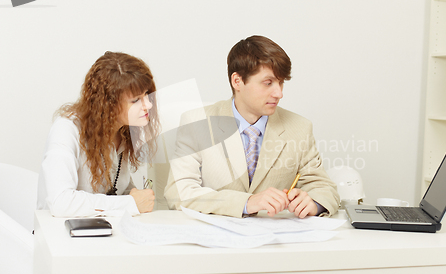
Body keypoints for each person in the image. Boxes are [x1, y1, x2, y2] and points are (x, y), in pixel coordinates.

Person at [165, 35, 340, 218]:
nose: (279, 93)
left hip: (276, 241)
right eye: (268, 83)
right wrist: (246, 203)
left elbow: (324, 187)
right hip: (216, 241)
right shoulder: (196, 123)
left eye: (281, 83)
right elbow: (179, 192)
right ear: (237, 81)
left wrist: (314, 203)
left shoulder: (299, 127)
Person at [37, 51, 160, 217]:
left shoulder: (122, 132)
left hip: (100, 233)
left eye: (146, 94)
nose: (148, 105)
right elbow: (61, 203)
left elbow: (117, 190)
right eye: (136, 100)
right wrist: (130, 203)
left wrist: (138, 197)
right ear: (108, 104)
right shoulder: (66, 129)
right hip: (59, 235)